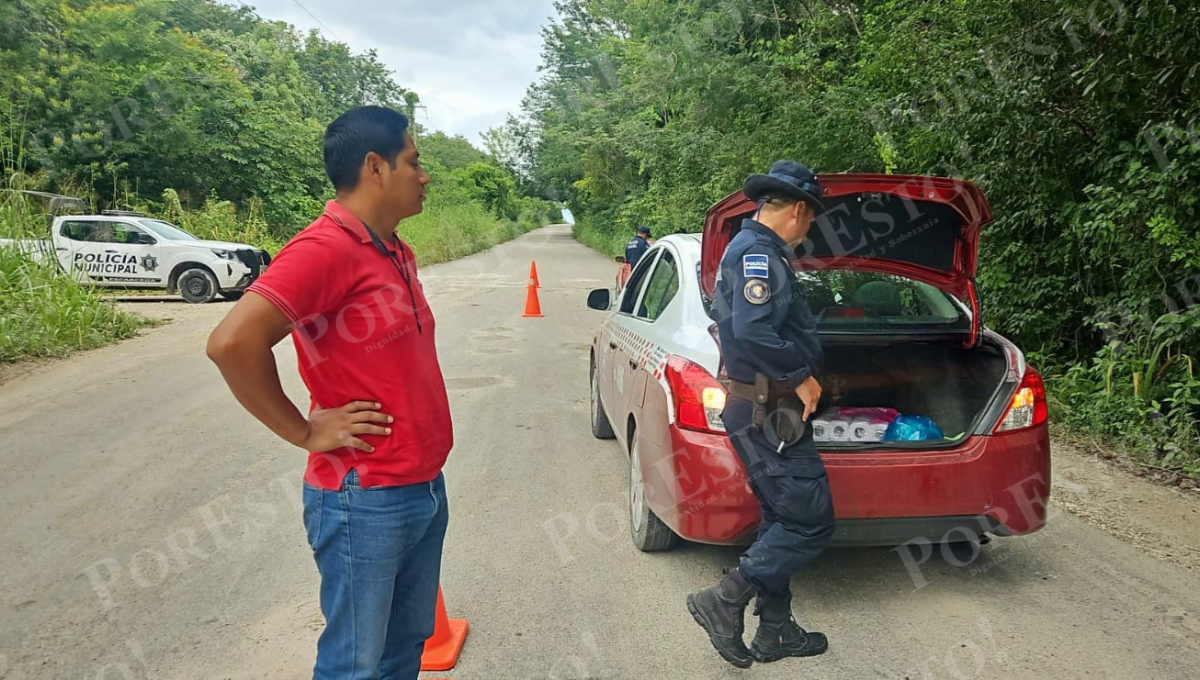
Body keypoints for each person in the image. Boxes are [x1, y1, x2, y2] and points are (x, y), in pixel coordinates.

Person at [205, 105, 450, 680]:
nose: (424, 175)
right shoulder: (325, 248)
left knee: (403, 649)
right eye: (413, 162)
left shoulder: (392, 247)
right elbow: (232, 342)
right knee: (356, 664)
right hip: (364, 495)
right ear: (376, 167)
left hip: (420, 485)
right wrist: (304, 430)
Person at [686, 160, 833, 668]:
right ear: (797, 210)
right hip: (769, 410)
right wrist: (802, 373)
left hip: (764, 406)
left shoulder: (755, 250)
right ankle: (724, 599)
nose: (809, 227)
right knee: (810, 522)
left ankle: (775, 630)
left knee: (780, 517)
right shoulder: (757, 255)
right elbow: (750, 333)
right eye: (810, 218)